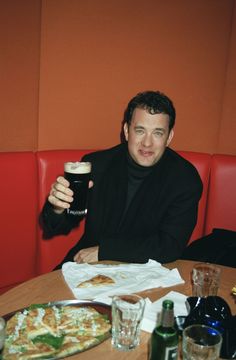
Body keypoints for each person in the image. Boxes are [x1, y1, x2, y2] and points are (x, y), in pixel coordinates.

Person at [41, 90, 203, 269]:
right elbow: (60, 224)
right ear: (126, 131)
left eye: (157, 133)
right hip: (86, 265)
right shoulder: (97, 164)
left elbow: (170, 246)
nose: (147, 143)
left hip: (146, 273)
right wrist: (57, 208)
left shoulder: (185, 178)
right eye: (140, 130)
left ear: (169, 137)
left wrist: (105, 251)